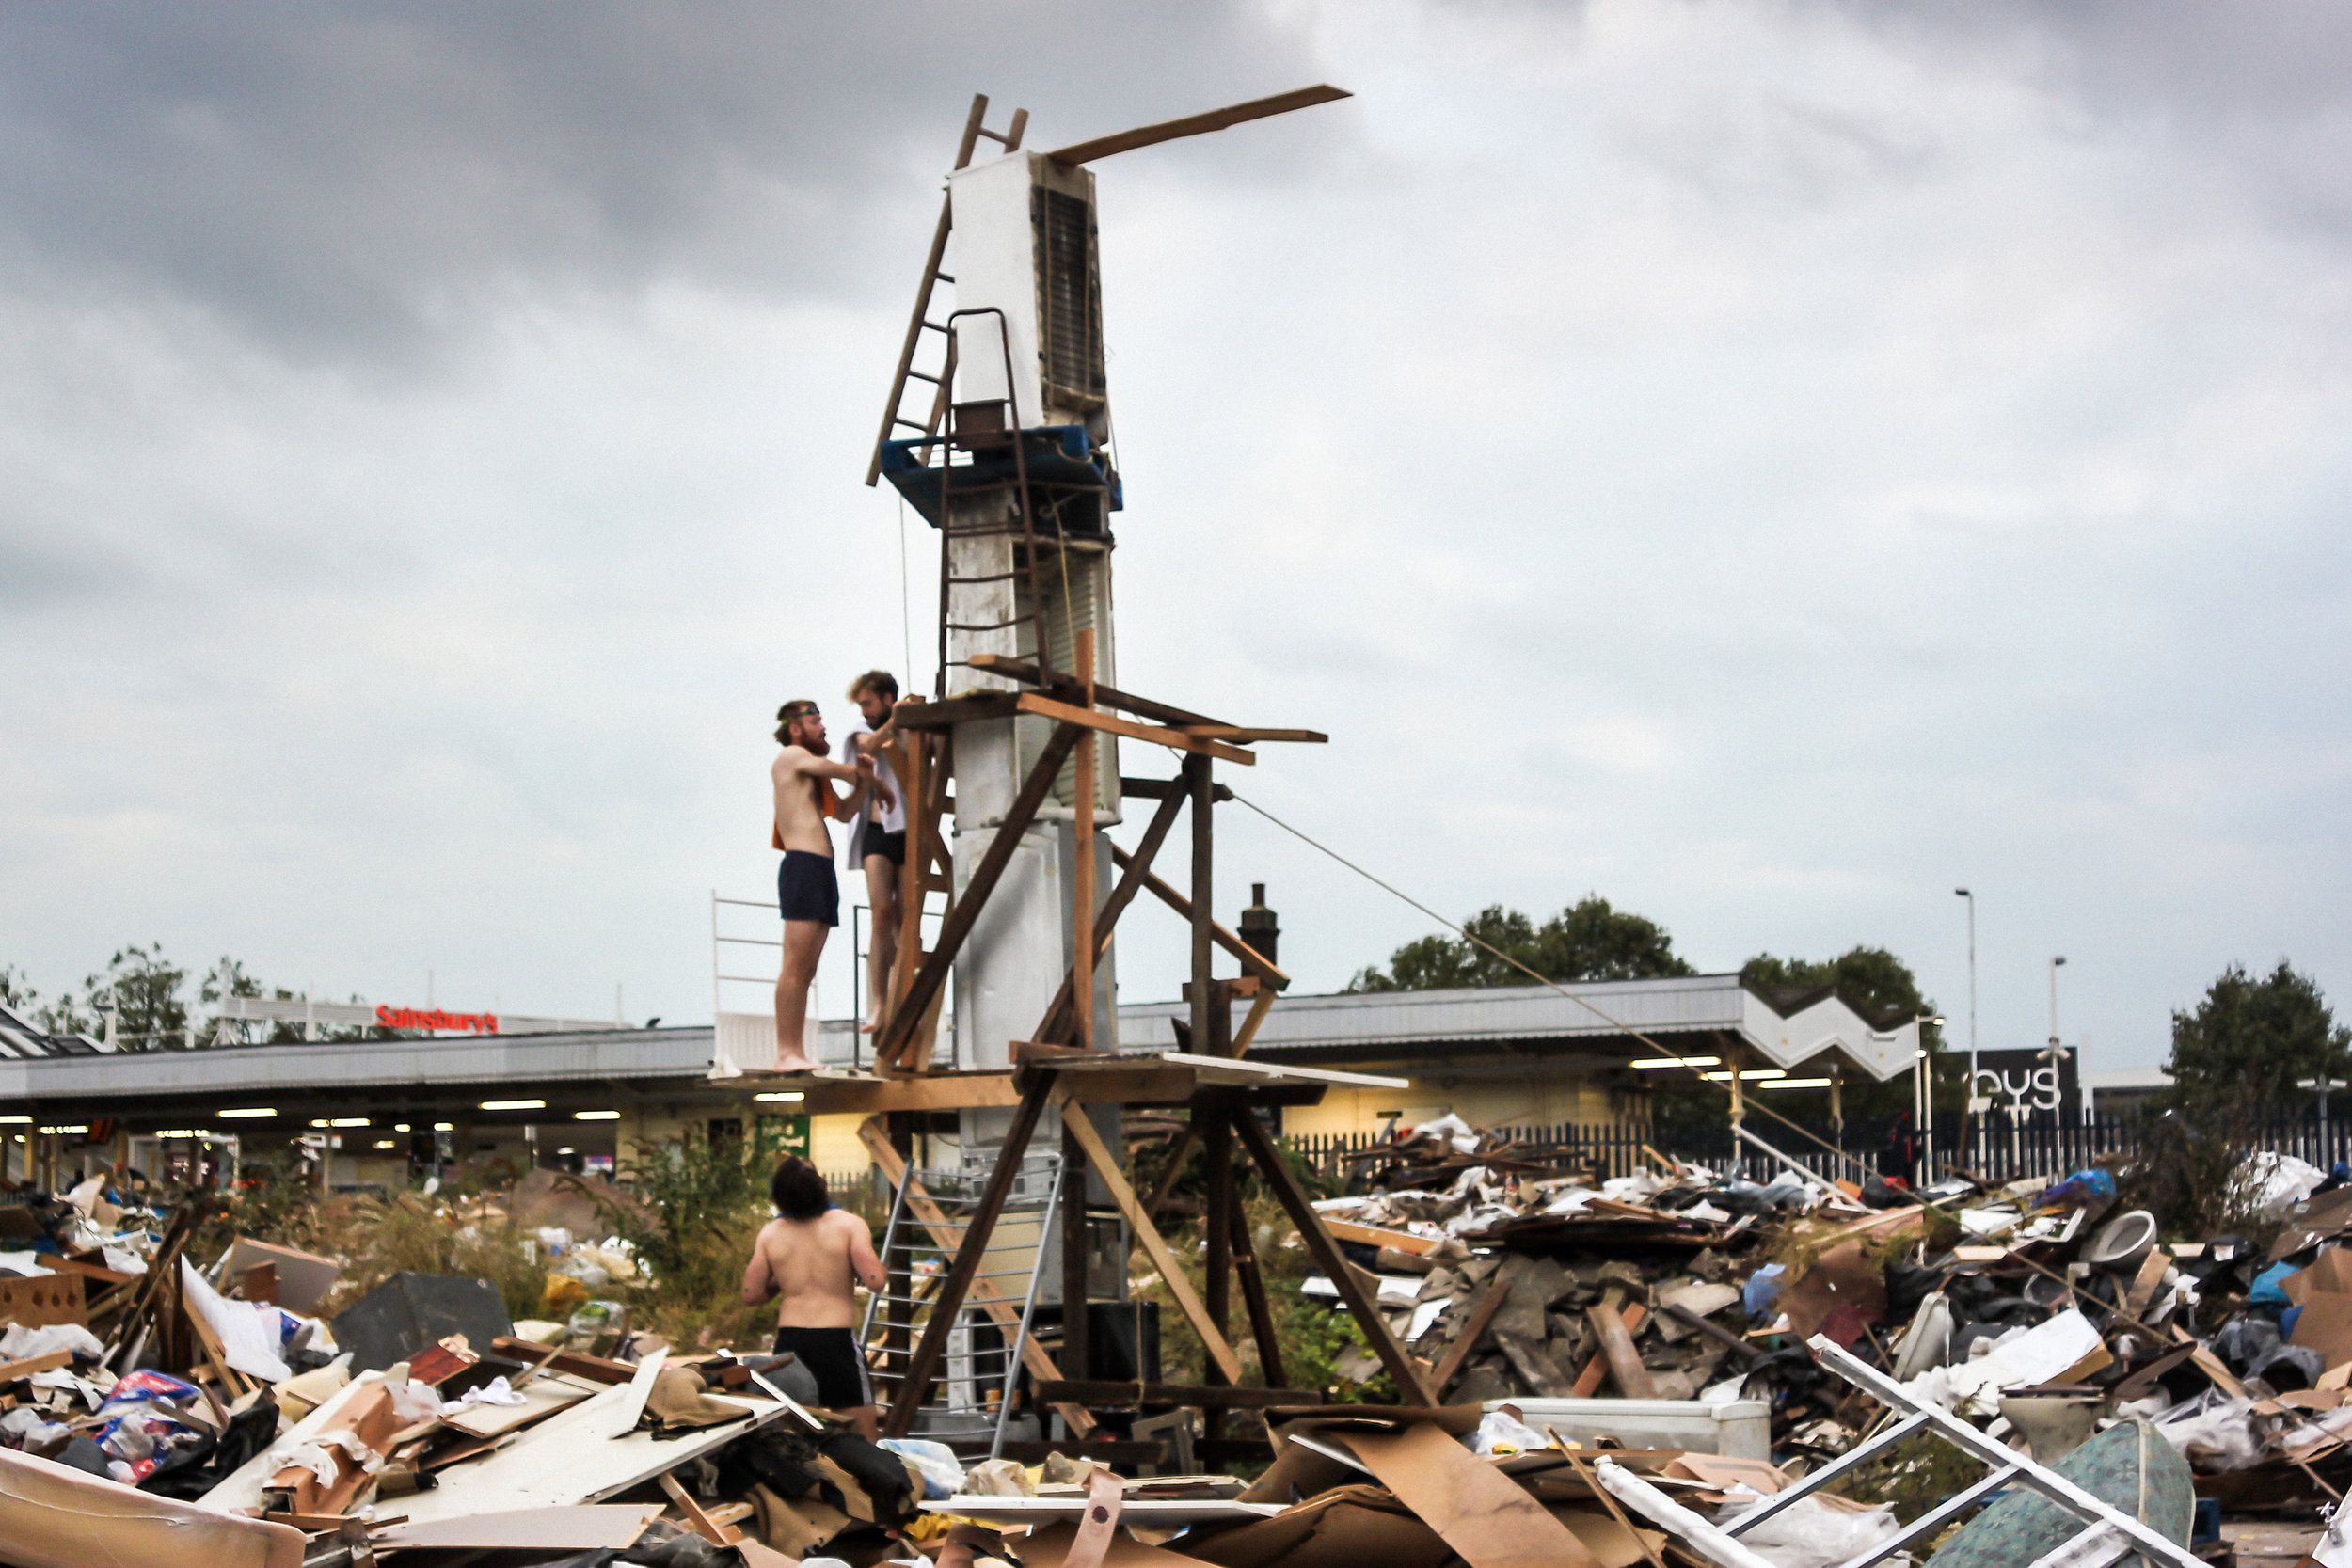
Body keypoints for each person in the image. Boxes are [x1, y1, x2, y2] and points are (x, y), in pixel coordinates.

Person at [771, 700, 891, 1072]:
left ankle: (796, 1051)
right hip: (803, 867)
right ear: (795, 728)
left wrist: (865, 786)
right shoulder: (791, 757)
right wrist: (866, 774)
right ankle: (785, 1050)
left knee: (806, 970)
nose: (823, 728)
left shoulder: (812, 772)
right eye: (815, 721)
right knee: (794, 966)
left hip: (821, 869)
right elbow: (841, 770)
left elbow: (842, 812)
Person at [741, 1155, 888, 1435]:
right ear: (821, 1186)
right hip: (835, 1341)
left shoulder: (771, 1233)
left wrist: (782, 1281)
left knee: (793, 1429)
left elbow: (751, 1294)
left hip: (790, 1343)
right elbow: (875, 1280)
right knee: (863, 1432)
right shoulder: (848, 1225)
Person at [839, 672, 909, 1033]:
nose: (865, 711)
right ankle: (879, 1003)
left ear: (886, 697)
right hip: (877, 832)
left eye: (869, 702)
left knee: (904, 918)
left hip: (910, 829)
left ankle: (900, 998)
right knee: (881, 914)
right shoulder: (861, 728)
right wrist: (898, 719)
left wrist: (906, 720)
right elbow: (869, 748)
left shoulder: (910, 727)